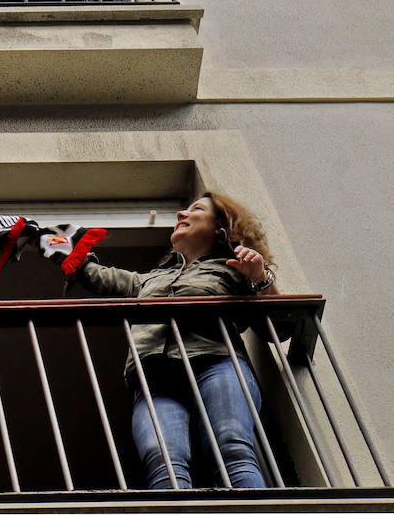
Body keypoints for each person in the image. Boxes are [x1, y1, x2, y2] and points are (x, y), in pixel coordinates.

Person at [73, 192, 278, 490]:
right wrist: (51, 241)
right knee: (162, 461)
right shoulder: (147, 280)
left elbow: (278, 329)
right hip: (155, 376)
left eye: (195, 210)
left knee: (232, 449)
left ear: (219, 229)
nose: (181, 214)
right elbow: (93, 275)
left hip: (216, 364)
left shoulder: (232, 269)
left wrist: (259, 277)